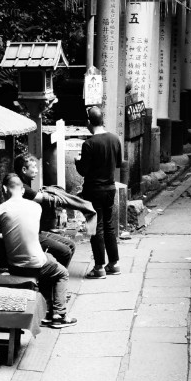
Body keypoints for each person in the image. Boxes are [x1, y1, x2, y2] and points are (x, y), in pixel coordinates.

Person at [0, 173, 76, 326]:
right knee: (62, 273)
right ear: (23, 190)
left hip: (16, 267)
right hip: (35, 265)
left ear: (4, 189)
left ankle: (47, 309)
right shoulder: (36, 207)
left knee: (50, 260)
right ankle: (59, 315)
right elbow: (25, 229)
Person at [75, 104, 122, 278]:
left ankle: (99, 267)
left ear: (89, 122)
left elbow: (84, 171)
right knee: (109, 226)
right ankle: (114, 264)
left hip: (93, 190)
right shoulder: (115, 139)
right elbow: (118, 163)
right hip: (110, 188)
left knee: (96, 227)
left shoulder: (88, 144)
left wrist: (77, 161)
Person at [14, 153, 76, 269]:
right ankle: (54, 276)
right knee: (65, 251)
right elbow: (43, 198)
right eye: (34, 167)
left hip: (34, 231)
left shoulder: (24, 183)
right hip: (26, 234)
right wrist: (69, 200)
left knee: (71, 245)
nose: (37, 170)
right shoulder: (21, 186)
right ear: (24, 169)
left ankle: (56, 275)